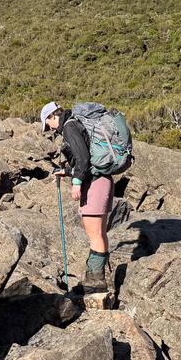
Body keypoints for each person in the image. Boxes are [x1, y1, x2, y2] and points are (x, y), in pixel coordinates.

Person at [40, 101, 113, 293]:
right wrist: (66, 171)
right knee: (100, 233)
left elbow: (83, 159)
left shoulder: (69, 127)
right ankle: (96, 277)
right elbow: (86, 160)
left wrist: (76, 183)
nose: (50, 129)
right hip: (103, 180)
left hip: (95, 184)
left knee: (94, 234)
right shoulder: (76, 124)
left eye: (48, 124)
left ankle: (96, 279)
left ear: (52, 116)